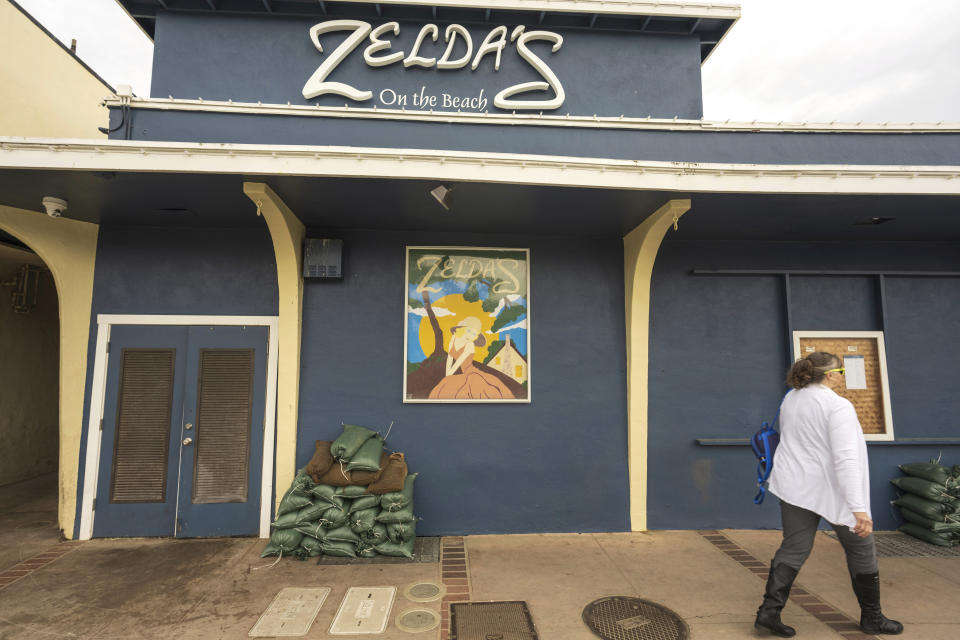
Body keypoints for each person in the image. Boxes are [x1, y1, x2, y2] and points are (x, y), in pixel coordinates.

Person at [755, 351, 903, 637]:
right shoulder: (838, 406)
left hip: (795, 486)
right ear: (830, 375)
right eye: (841, 372)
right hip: (832, 489)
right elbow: (846, 459)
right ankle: (872, 618)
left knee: (794, 547)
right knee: (861, 549)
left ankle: (768, 614)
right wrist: (858, 508)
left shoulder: (791, 399)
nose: (841, 377)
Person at [428, 316, 514, 400]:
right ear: (462, 328)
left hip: (470, 371)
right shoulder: (454, 338)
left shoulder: (470, 345)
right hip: (457, 373)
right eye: (468, 330)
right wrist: (447, 375)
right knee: (444, 386)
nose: (470, 335)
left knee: (474, 385)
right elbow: (449, 358)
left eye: (473, 334)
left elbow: (459, 362)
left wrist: (449, 376)